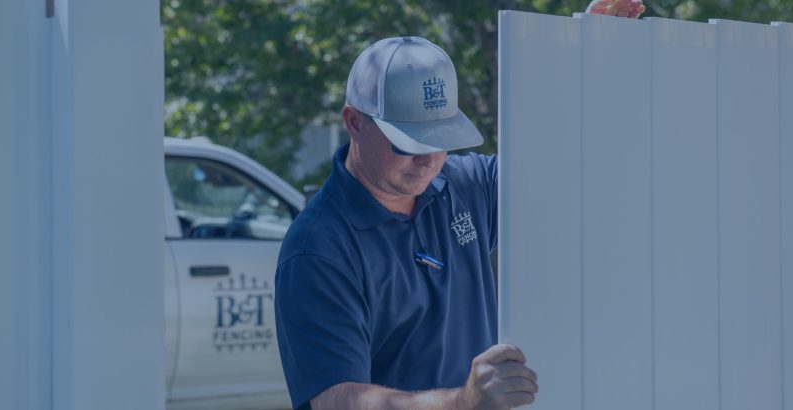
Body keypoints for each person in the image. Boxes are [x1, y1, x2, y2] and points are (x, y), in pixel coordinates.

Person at [274, 3, 644, 410]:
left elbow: (554, 152)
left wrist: (582, 57)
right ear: (354, 122)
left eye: (440, 138)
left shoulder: (462, 185)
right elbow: (335, 399)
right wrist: (463, 401)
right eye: (409, 143)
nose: (428, 160)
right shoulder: (319, 248)